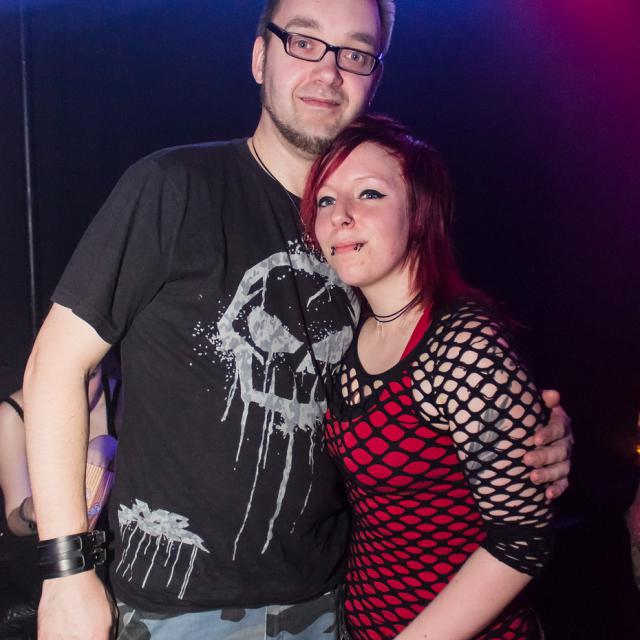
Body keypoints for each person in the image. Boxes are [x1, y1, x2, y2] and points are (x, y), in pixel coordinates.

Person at [23, 1, 572, 639]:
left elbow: (441, 378)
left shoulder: (373, 239)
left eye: (355, 52)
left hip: (332, 603)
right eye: (304, 43)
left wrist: (524, 437)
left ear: (374, 77)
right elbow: (55, 366)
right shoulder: (173, 186)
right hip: (178, 608)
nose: (329, 71)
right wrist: (66, 573)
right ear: (260, 57)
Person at [302, 114, 555, 639]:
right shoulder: (352, 332)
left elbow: (522, 540)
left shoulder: (463, 344)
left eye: (369, 194)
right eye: (325, 200)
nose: (340, 215)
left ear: (421, 211)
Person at [0, 361, 119, 537]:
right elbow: (16, 522)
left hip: (117, 540)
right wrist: (33, 509)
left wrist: (111, 448)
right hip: (49, 544)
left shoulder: (125, 397)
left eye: (91, 375)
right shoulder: (13, 415)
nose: (79, 390)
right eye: (66, 375)